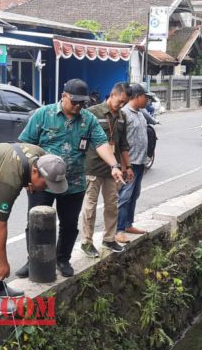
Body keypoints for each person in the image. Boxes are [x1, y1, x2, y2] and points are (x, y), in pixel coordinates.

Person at [16, 78, 124, 278]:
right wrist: (26, 178)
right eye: (74, 102)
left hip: (73, 183)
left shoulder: (87, 119)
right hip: (42, 182)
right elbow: (24, 146)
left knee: (69, 224)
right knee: (36, 223)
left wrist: (114, 165)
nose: (78, 106)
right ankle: (33, 260)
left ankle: (62, 258)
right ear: (63, 96)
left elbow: (101, 143)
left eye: (82, 103)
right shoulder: (43, 114)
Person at [0, 143, 68, 310]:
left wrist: (27, 180)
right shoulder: (9, 180)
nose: (47, 189)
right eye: (46, 184)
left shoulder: (40, 156)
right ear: (35, 172)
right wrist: (2, 262)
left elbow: (22, 164)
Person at [81, 82, 134, 254]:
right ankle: (86, 242)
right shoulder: (92, 113)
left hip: (114, 169)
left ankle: (109, 239)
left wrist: (128, 166)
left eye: (124, 103)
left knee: (112, 205)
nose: (121, 105)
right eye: (120, 101)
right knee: (90, 206)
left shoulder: (122, 117)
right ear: (112, 94)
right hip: (93, 167)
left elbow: (123, 144)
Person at [116, 84, 153, 240]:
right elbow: (119, 142)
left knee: (134, 195)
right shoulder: (124, 114)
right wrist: (125, 166)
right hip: (129, 163)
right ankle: (118, 230)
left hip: (139, 162)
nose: (148, 100)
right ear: (137, 96)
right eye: (146, 97)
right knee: (124, 196)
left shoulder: (140, 113)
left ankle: (128, 224)